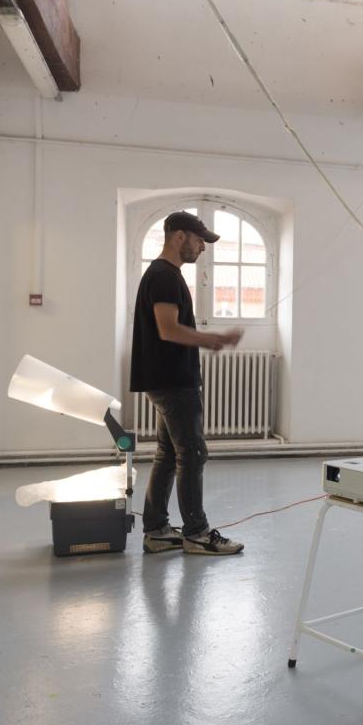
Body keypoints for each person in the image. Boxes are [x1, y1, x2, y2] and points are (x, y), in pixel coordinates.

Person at [130, 211, 244, 556]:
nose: (202, 248)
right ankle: (197, 533)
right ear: (179, 237)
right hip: (173, 382)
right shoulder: (164, 276)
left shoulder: (164, 274)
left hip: (166, 380)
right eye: (199, 240)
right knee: (192, 454)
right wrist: (213, 339)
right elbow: (168, 329)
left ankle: (156, 530)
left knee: (168, 454)